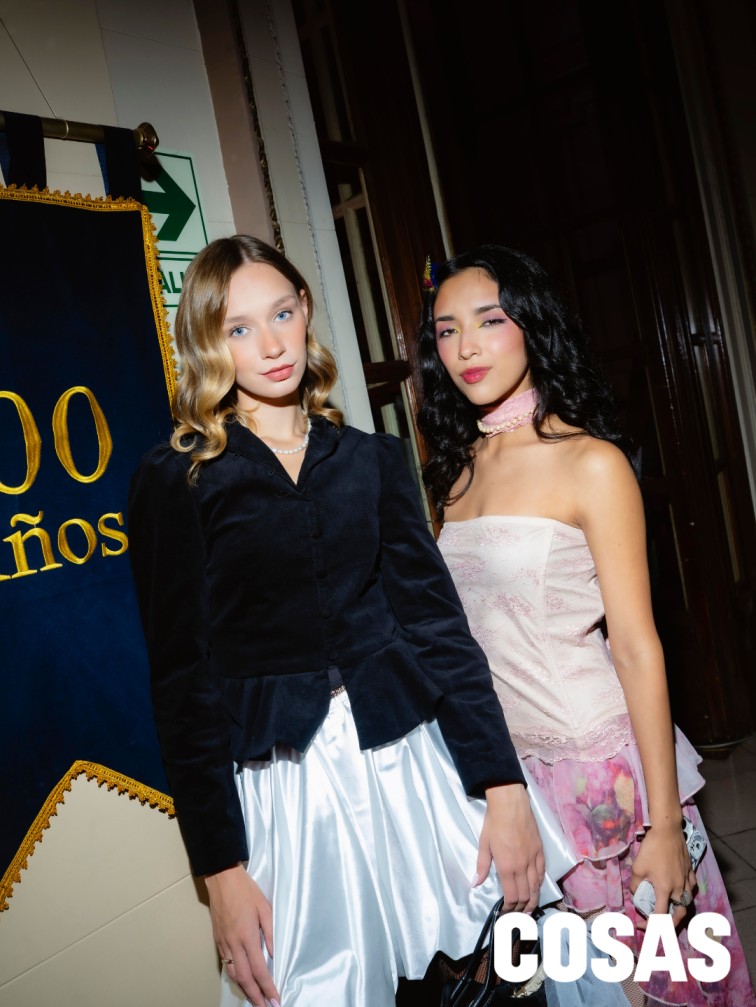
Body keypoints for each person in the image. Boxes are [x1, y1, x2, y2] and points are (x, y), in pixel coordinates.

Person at [126, 235, 576, 1007]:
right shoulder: (177, 477)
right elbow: (181, 684)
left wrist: (503, 785)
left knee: (494, 973)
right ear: (207, 341)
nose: (272, 345)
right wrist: (221, 870)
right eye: (239, 328)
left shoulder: (371, 458)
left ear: (306, 310)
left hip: (410, 759)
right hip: (291, 790)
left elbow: (439, 630)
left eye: (282, 313)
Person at [415, 243, 756, 1007]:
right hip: (512, 780)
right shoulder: (456, 472)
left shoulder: (590, 462)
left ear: (531, 325)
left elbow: (635, 645)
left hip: (602, 779)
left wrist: (663, 826)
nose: (466, 347)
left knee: (652, 986)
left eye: (490, 320)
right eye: (446, 330)